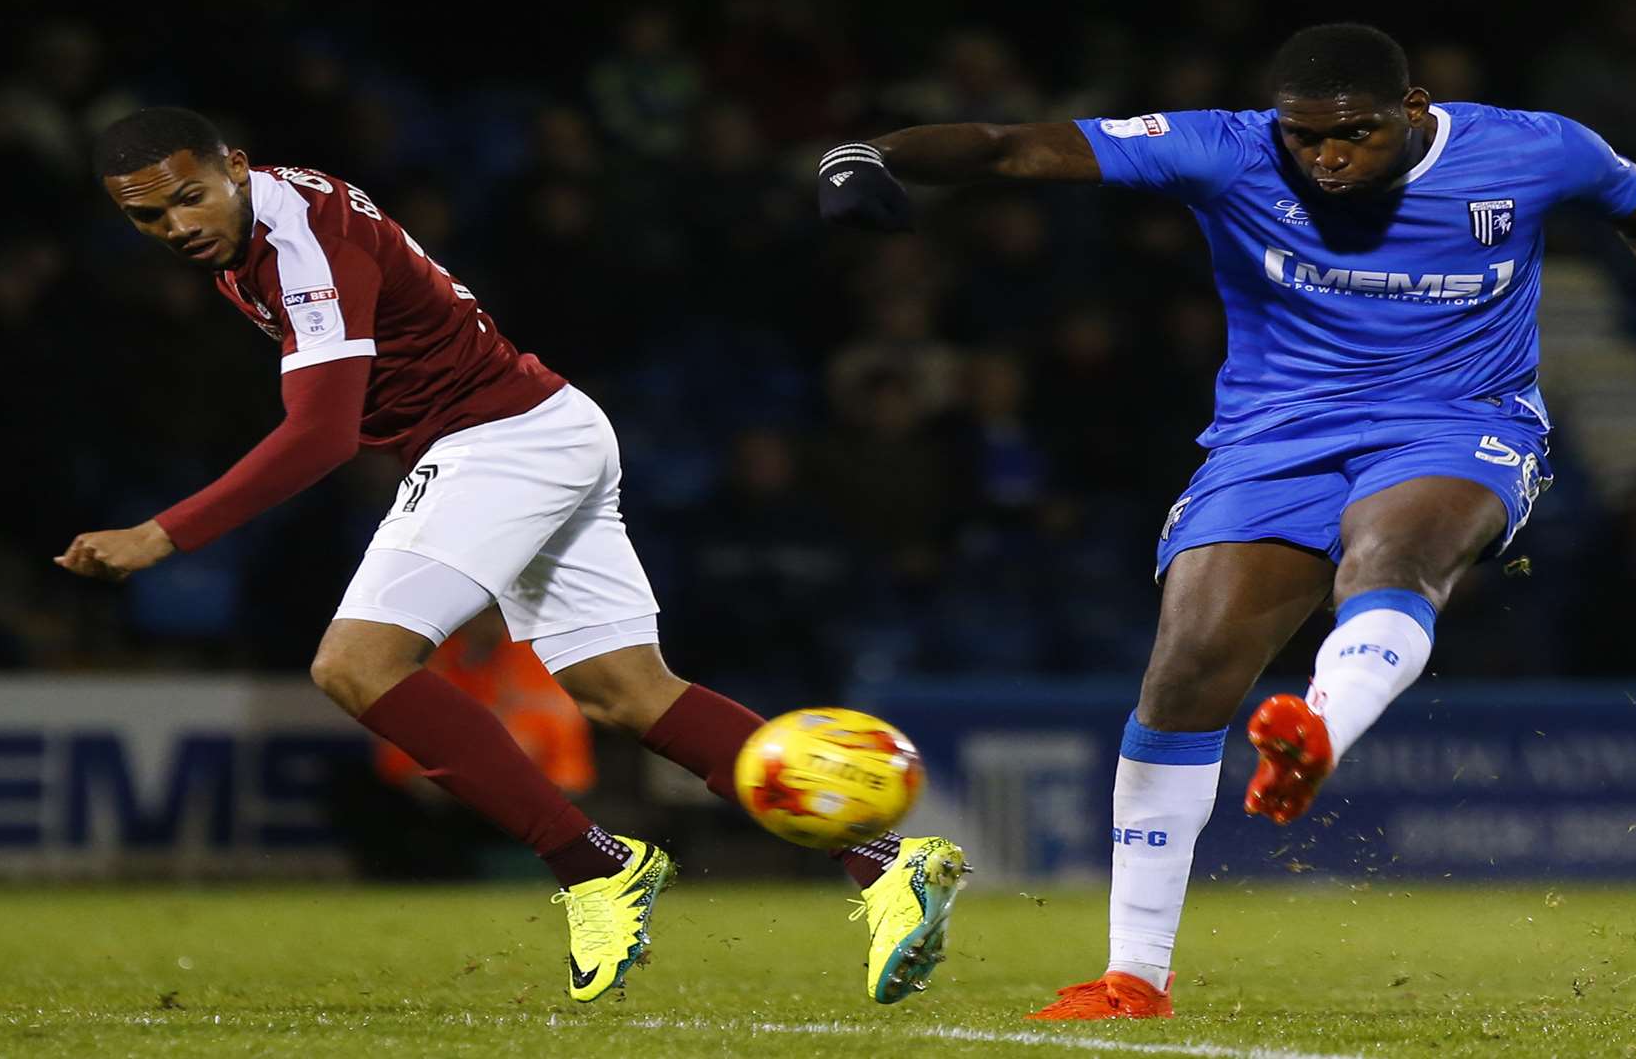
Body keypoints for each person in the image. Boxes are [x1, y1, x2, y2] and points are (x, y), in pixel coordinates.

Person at [817, 23, 1636, 1020]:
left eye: (1355, 133)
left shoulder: (1532, 147)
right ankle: (1132, 979)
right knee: (1185, 671)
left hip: (1458, 420)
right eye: (1306, 136)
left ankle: (1318, 727)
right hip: (1273, 439)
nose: (1328, 156)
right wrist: (871, 152)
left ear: (1414, 109)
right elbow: (1011, 148)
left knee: (1393, 552)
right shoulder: (1227, 148)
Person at [60, 107, 964, 1005]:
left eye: (189, 197)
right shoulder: (263, 222)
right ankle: (885, 861)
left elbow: (323, 436)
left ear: (236, 167)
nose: (177, 226)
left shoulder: (301, 244)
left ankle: (591, 866)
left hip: (498, 442)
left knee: (356, 665)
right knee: (629, 693)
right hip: (546, 425)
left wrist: (162, 534)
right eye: (148, 217)